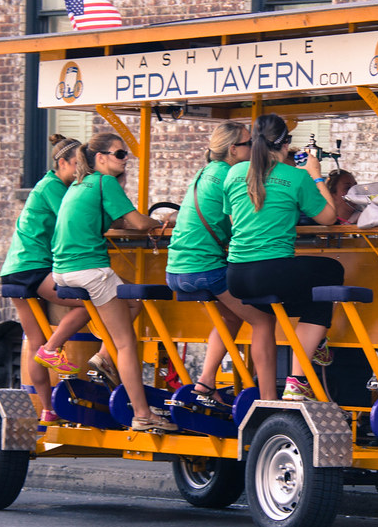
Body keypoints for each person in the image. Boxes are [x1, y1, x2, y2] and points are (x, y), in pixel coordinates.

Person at [51, 133, 174, 432]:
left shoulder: (79, 185)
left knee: (132, 301)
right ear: (100, 158)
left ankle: (104, 357)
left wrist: (143, 222)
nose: (125, 158)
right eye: (120, 154)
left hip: (63, 270)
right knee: (127, 343)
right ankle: (142, 415)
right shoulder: (105, 182)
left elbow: (117, 222)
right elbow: (137, 222)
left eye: (125, 154)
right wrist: (168, 222)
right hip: (89, 270)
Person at [223, 114, 343, 402]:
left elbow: (232, 218)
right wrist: (316, 175)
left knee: (310, 298)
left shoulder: (234, 173)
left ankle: (316, 341)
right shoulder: (296, 177)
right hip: (271, 271)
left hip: (237, 276)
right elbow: (329, 217)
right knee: (331, 272)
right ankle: (298, 379)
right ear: (287, 144)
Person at [165, 122, 280, 401]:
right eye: (249, 143)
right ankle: (268, 400)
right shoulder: (232, 176)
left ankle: (204, 383)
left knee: (231, 315)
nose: (254, 148)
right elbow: (242, 224)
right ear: (232, 149)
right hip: (205, 267)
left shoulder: (205, 172)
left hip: (176, 269)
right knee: (263, 321)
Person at [0, 134, 92, 425]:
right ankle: (52, 350)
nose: (80, 174)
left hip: (15, 268)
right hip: (34, 267)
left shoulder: (49, 186)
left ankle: (47, 409)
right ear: (61, 163)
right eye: (76, 167)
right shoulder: (54, 187)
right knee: (88, 304)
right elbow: (76, 219)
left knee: (34, 341)